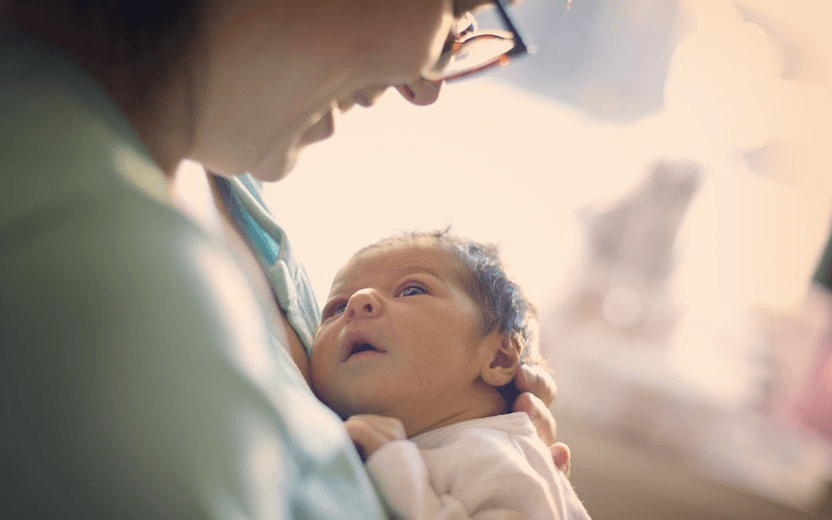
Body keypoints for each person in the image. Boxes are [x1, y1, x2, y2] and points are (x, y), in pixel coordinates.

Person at [1, 1, 568, 518]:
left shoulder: (234, 188)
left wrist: (470, 449)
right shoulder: (87, 258)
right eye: (456, 10)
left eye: (414, 290)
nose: (426, 86)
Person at [311, 231, 592, 519]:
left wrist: (392, 466)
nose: (358, 302)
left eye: (411, 290)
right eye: (337, 308)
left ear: (498, 357)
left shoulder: (491, 453)